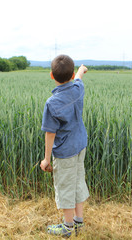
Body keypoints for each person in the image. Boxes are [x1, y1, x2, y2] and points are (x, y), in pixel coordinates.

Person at [40, 54, 89, 238]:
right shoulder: (78, 89)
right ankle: (79, 221)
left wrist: (46, 159)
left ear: (51, 76)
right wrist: (81, 71)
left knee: (66, 186)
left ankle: (68, 227)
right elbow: (77, 80)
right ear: (71, 75)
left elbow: (50, 133)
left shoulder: (52, 103)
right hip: (80, 145)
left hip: (65, 151)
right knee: (77, 180)